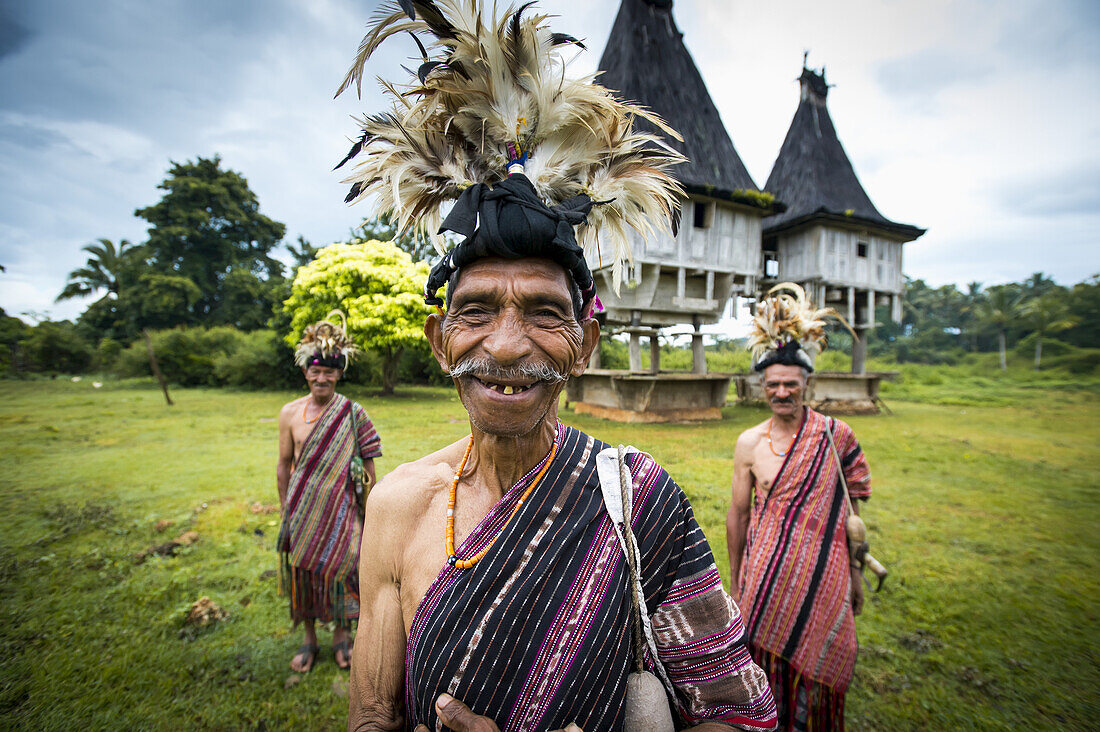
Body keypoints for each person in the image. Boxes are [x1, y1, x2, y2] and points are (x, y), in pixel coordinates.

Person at [335, 2, 776, 729]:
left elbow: (739, 715)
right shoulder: (396, 507)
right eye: (475, 311)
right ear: (438, 339)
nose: (506, 346)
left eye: (544, 312)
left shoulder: (641, 505)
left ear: (586, 341)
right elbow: (372, 717)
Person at [726, 284, 871, 732]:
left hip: (825, 574)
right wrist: (736, 580)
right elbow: (738, 516)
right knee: (763, 666)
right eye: (774, 385)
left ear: (806, 384)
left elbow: (854, 511)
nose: (783, 392)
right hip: (764, 577)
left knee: (821, 661)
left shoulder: (835, 435)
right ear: (762, 387)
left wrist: (855, 575)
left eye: (791, 384)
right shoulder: (749, 442)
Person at [277, 312, 382, 672]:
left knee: (343, 569)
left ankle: (341, 637)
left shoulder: (353, 414)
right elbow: (283, 464)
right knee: (303, 572)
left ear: (339, 374)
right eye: (315, 371)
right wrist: (284, 509)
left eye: (329, 372)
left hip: (343, 511)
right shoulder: (289, 414)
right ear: (306, 372)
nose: (321, 378)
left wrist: (368, 509)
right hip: (301, 510)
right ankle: (309, 640)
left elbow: (369, 465)